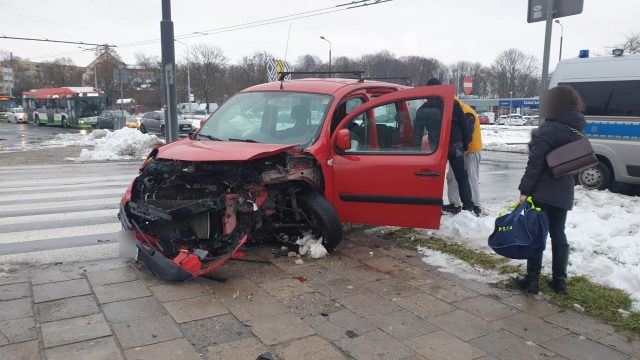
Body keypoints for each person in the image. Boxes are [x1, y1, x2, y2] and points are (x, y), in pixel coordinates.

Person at [515, 86, 586, 295]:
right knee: (559, 234)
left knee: (536, 234)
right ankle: (559, 282)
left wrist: (524, 190)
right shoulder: (577, 127)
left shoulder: (549, 128)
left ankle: (532, 281)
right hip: (564, 189)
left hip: (542, 192)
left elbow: (535, 164)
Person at [424, 78, 475, 212]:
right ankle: (468, 207)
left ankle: (432, 206)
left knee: (434, 177)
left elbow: (419, 130)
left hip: (437, 148)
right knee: (462, 178)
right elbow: (465, 126)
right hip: (456, 146)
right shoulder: (454, 103)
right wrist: (464, 145)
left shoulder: (425, 107)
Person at [443, 98, 483, 216]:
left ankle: (476, 205)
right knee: (452, 177)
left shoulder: (466, 112)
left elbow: (468, 135)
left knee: (471, 178)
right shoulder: (458, 110)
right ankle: (454, 203)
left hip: (470, 151)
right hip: (460, 150)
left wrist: (464, 148)